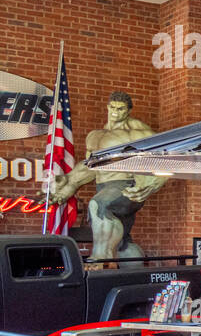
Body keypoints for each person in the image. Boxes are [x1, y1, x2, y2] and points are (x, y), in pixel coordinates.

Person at [49, 92, 168, 260]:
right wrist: (69, 183)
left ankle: (101, 259)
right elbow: (91, 166)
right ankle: (136, 274)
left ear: (128, 111)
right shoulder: (95, 135)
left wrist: (153, 182)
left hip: (126, 185)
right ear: (107, 106)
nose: (115, 112)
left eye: (121, 109)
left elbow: (164, 155)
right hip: (104, 185)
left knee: (99, 205)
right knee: (122, 242)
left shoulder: (136, 131)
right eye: (112, 107)